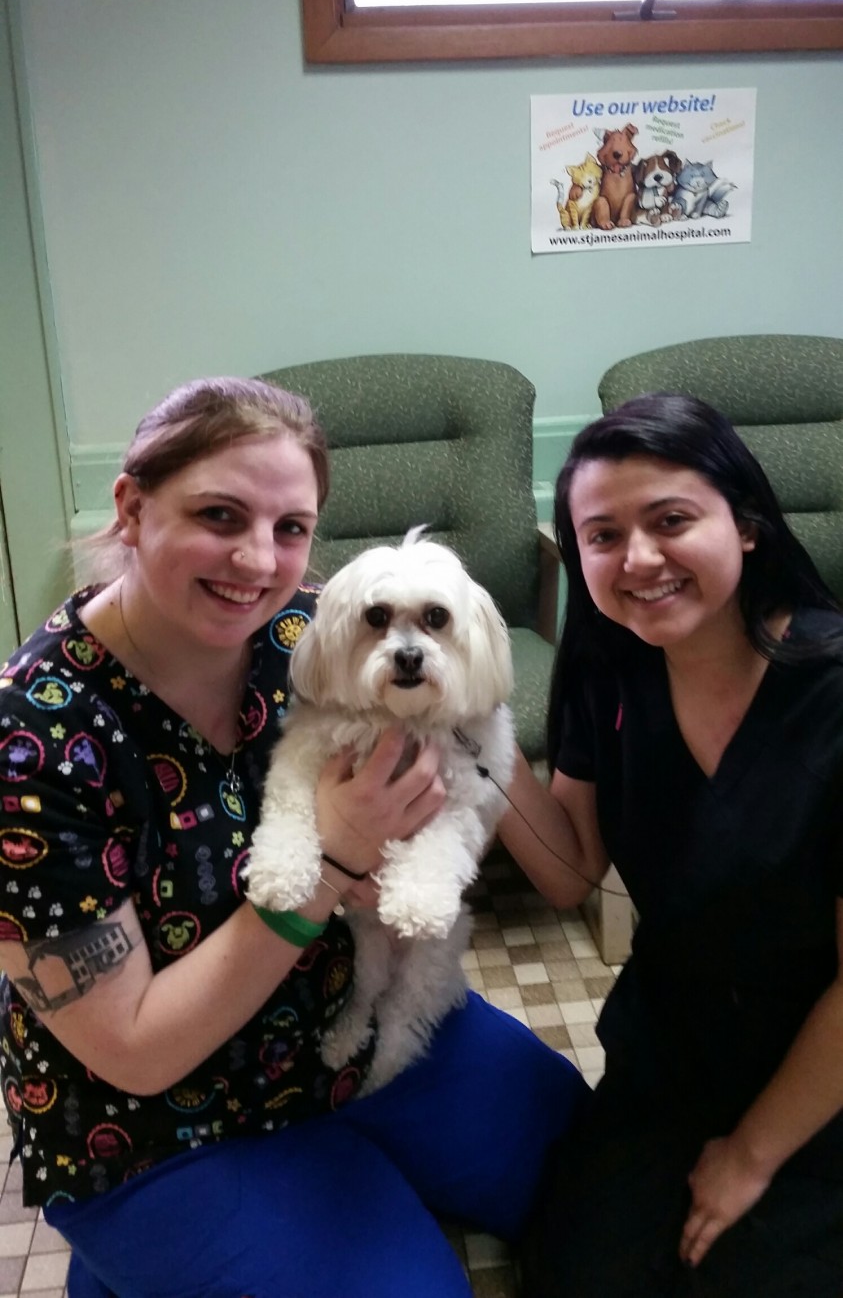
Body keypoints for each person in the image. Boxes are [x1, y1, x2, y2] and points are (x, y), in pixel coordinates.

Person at [0, 376, 586, 1298]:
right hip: (159, 1121)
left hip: (343, 1029)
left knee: (600, 1177)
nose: (257, 561)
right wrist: (338, 859)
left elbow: (470, 738)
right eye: (219, 515)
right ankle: (133, 1259)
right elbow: (137, 1050)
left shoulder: (311, 632)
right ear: (130, 505)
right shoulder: (33, 738)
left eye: (290, 528)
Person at [501, 391, 843, 1298]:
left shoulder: (832, 694)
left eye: (671, 521)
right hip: (674, 1048)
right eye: (601, 537)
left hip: (821, 1065)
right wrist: (476, 749)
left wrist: (750, 1156)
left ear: (749, 526)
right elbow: (572, 872)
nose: (638, 559)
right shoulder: (608, 672)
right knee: (582, 1274)